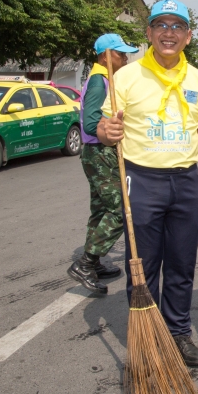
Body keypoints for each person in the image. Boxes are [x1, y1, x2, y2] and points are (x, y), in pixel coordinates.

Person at [97, 0, 198, 367]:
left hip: (185, 182)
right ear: (149, 32)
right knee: (144, 265)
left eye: (177, 26)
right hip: (141, 179)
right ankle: (145, 337)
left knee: (182, 264)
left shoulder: (197, 80)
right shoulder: (126, 76)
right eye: (161, 25)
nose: (169, 33)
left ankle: (178, 332)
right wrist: (107, 131)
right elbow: (105, 131)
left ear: (188, 36)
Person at [67, 34, 138, 295]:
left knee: (100, 210)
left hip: (97, 153)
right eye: (120, 54)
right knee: (119, 209)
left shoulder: (104, 78)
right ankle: (85, 263)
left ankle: (94, 262)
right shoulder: (99, 81)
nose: (125, 58)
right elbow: (90, 123)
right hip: (100, 152)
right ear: (106, 55)